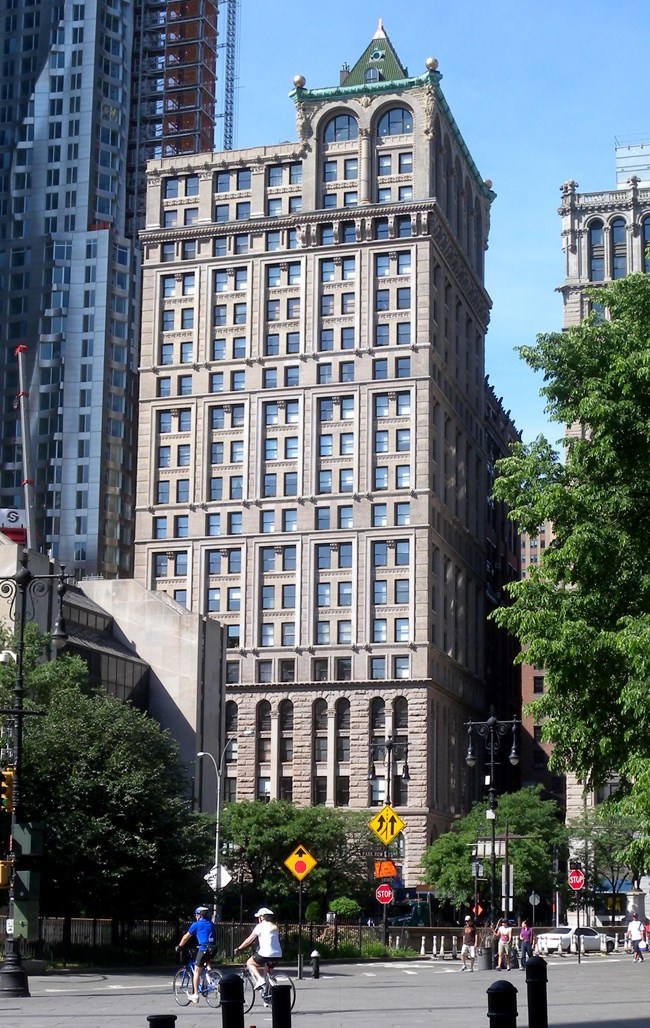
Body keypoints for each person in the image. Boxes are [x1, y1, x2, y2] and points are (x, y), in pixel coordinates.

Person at [176, 905, 217, 1003]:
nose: (195, 916)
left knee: (197, 971)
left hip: (203, 948)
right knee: (207, 962)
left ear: (199, 915)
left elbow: (186, 937)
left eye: (196, 915)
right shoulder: (211, 924)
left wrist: (180, 946)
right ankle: (211, 979)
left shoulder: (196, 924)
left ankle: (195, 995)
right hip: (213, 948)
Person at [234, 907, 282, 989]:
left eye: (258, 917)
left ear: (262, 917)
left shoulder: (260, 926)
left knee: (250, 963)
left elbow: (249, 940)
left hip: (265, 954)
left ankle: (260, 980)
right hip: (278, 954)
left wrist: (239, 948)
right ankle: (268, 995)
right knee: (267, 975)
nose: (258, 919)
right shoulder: (275, 927)